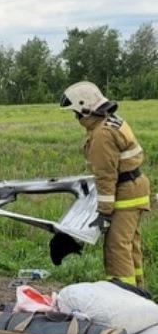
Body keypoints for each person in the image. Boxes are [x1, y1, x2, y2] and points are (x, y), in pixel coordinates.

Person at [60, 81, 152, 288]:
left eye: (76, 112)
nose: (76, 117)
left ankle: (124, 293)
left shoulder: (102, 134)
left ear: (85, 109)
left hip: (126, 193)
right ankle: (138, 290)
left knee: (116, 247)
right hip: (136, 187)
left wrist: (104, 213)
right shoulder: (112, 121)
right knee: (129, 244)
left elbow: (106, 177)